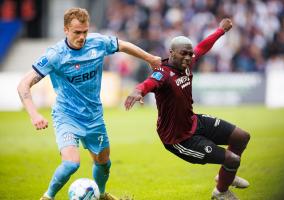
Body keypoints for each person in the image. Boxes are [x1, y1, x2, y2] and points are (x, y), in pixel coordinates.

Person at [17, 7, 161, 200]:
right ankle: (47, 197)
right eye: (77, 32)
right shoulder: (55, 55)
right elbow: (23, 85)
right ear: (66, 30)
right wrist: (34, 115)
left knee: (104, 163)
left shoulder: (98, 42)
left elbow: (123, 45)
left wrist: (150, 58)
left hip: (94, 117)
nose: (82, 37)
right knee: (71, 164)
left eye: (85, 31)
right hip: (66, 115)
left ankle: (101, 195)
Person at [124, 18, 250, 200]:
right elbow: (149, 83)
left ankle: (225, 175)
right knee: (233, 159)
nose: (189, 58)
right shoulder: (163, 73)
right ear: (171, 53)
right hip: (179, 138)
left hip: (194, 121)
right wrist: (138, 90)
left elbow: (203, 47)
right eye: (184, 54)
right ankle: (221, 192)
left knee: (242, 137)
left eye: (190, 54)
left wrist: (220, 30)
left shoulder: (188, 62)